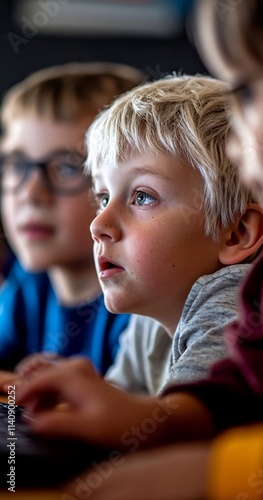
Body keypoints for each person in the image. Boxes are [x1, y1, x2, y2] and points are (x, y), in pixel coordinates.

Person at [47, 1, 263, 499]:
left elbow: (180, 433)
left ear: (234, 236)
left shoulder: (227, 299)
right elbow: (125, 411)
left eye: (141, 197)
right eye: (103, 197)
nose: (99, 222)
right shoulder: (152, 312)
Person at [0, 61, 144, 390]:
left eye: (66, 168)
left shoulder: (140, 304)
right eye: (17, 165)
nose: (31, 193)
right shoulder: (28, 284)